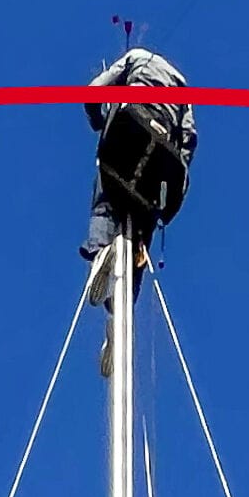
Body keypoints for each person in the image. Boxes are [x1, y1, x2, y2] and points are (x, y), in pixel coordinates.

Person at [80, 46, 196, 375]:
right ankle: (120, 309)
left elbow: (93, 92)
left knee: (107, 185)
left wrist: (98, 119)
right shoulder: (184, 88)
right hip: (161, 160)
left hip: (130, 128)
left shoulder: (137, 57)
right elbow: (189, 138)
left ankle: (102, 251)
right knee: (141, 227)